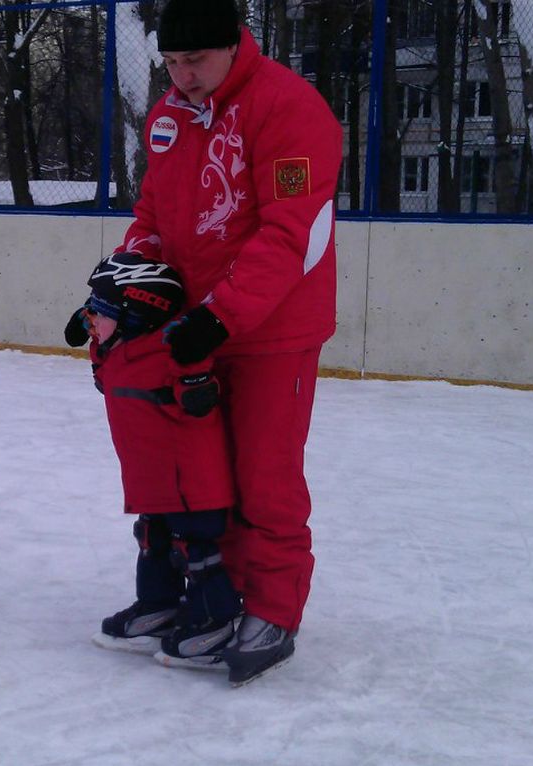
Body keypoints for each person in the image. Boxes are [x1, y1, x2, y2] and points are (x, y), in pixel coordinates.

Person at [118, 0, 344, 685]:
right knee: (203, 474)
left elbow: (292, 231)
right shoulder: (167, 119)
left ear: (233, 46)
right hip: (195, 329)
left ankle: (273, 608)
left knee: (264, 477)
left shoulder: (287, 107)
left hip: (273, 331)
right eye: (173, 63)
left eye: (198, 61)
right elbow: (152, 216)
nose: (183, 77)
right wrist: (123, 290)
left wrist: (222, 314)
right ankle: (212, 599)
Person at [66, 253, 243, 672]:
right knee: (153, 538)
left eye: (100, 311)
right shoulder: (117, 351)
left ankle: (215, 622)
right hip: (153, 478)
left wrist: (195, 374)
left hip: (192, 483)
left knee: (194, 550)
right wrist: (90, 329)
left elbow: (195, 383)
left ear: (137, 315)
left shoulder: (168, 352)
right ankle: (159, 605)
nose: (90, 316)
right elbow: (103, 369)